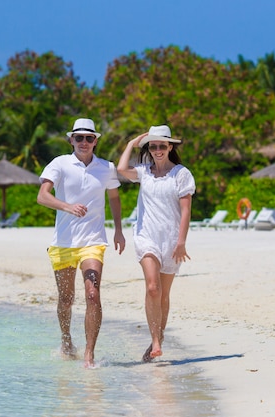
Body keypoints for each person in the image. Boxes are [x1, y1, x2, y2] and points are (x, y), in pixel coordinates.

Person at [37, 117, 126, 368]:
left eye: (89, 138)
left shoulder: (106, 167)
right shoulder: (59, 163)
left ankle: (89, 354)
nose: (84, 142)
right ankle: (66, 339)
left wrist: (118, 230)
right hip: (64, 242)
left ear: (95, 141)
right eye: (79, 138)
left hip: (93, 241)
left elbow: (115, 198)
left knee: (92, 294)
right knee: (66, 299)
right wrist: (67, 206)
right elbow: (42, 196)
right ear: (71, 140)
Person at [117, 125, 196, 362]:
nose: (158, 150)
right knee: (153, 288)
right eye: (153, 146)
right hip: (146, 236)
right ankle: (155, 342)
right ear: (149, 148)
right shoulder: (143, 171)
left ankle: (156, 340)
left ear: (170, 147)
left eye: (162, 145)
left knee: (163, 295)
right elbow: (121, 169)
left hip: (171, 240)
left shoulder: (181, 174)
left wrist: (181, 242)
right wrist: (132, 143)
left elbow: (185, 211)